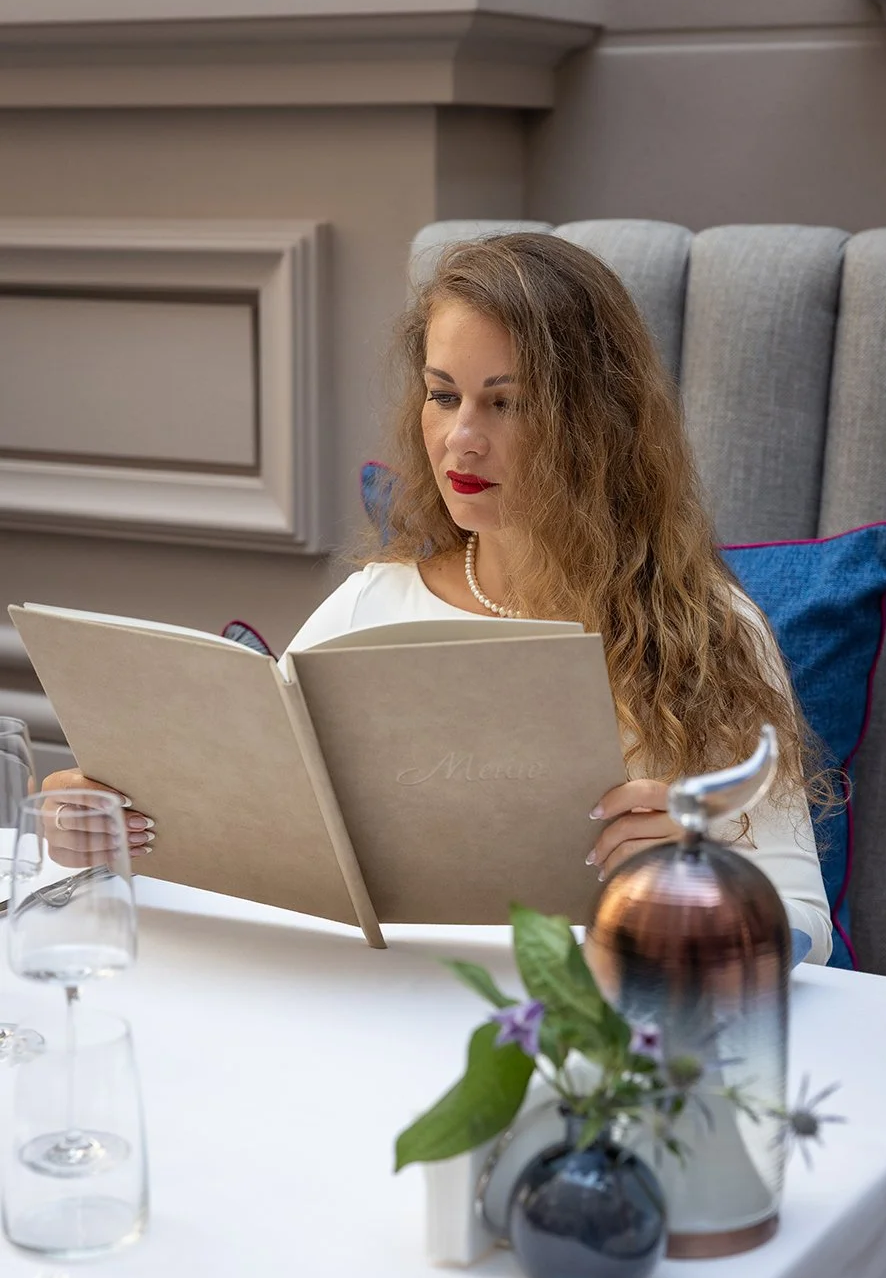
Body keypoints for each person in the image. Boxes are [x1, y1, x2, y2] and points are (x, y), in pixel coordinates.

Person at [44, 233, 834, 963]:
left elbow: (803, 923)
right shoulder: (370, 605)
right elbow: (262, 822)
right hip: (367, 1008)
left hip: (585, 1036)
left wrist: (697, 881)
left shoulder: (708, 631)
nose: (462, 437)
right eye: (443, 395)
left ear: (596, 423)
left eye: (505, 401)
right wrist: (103, 819)